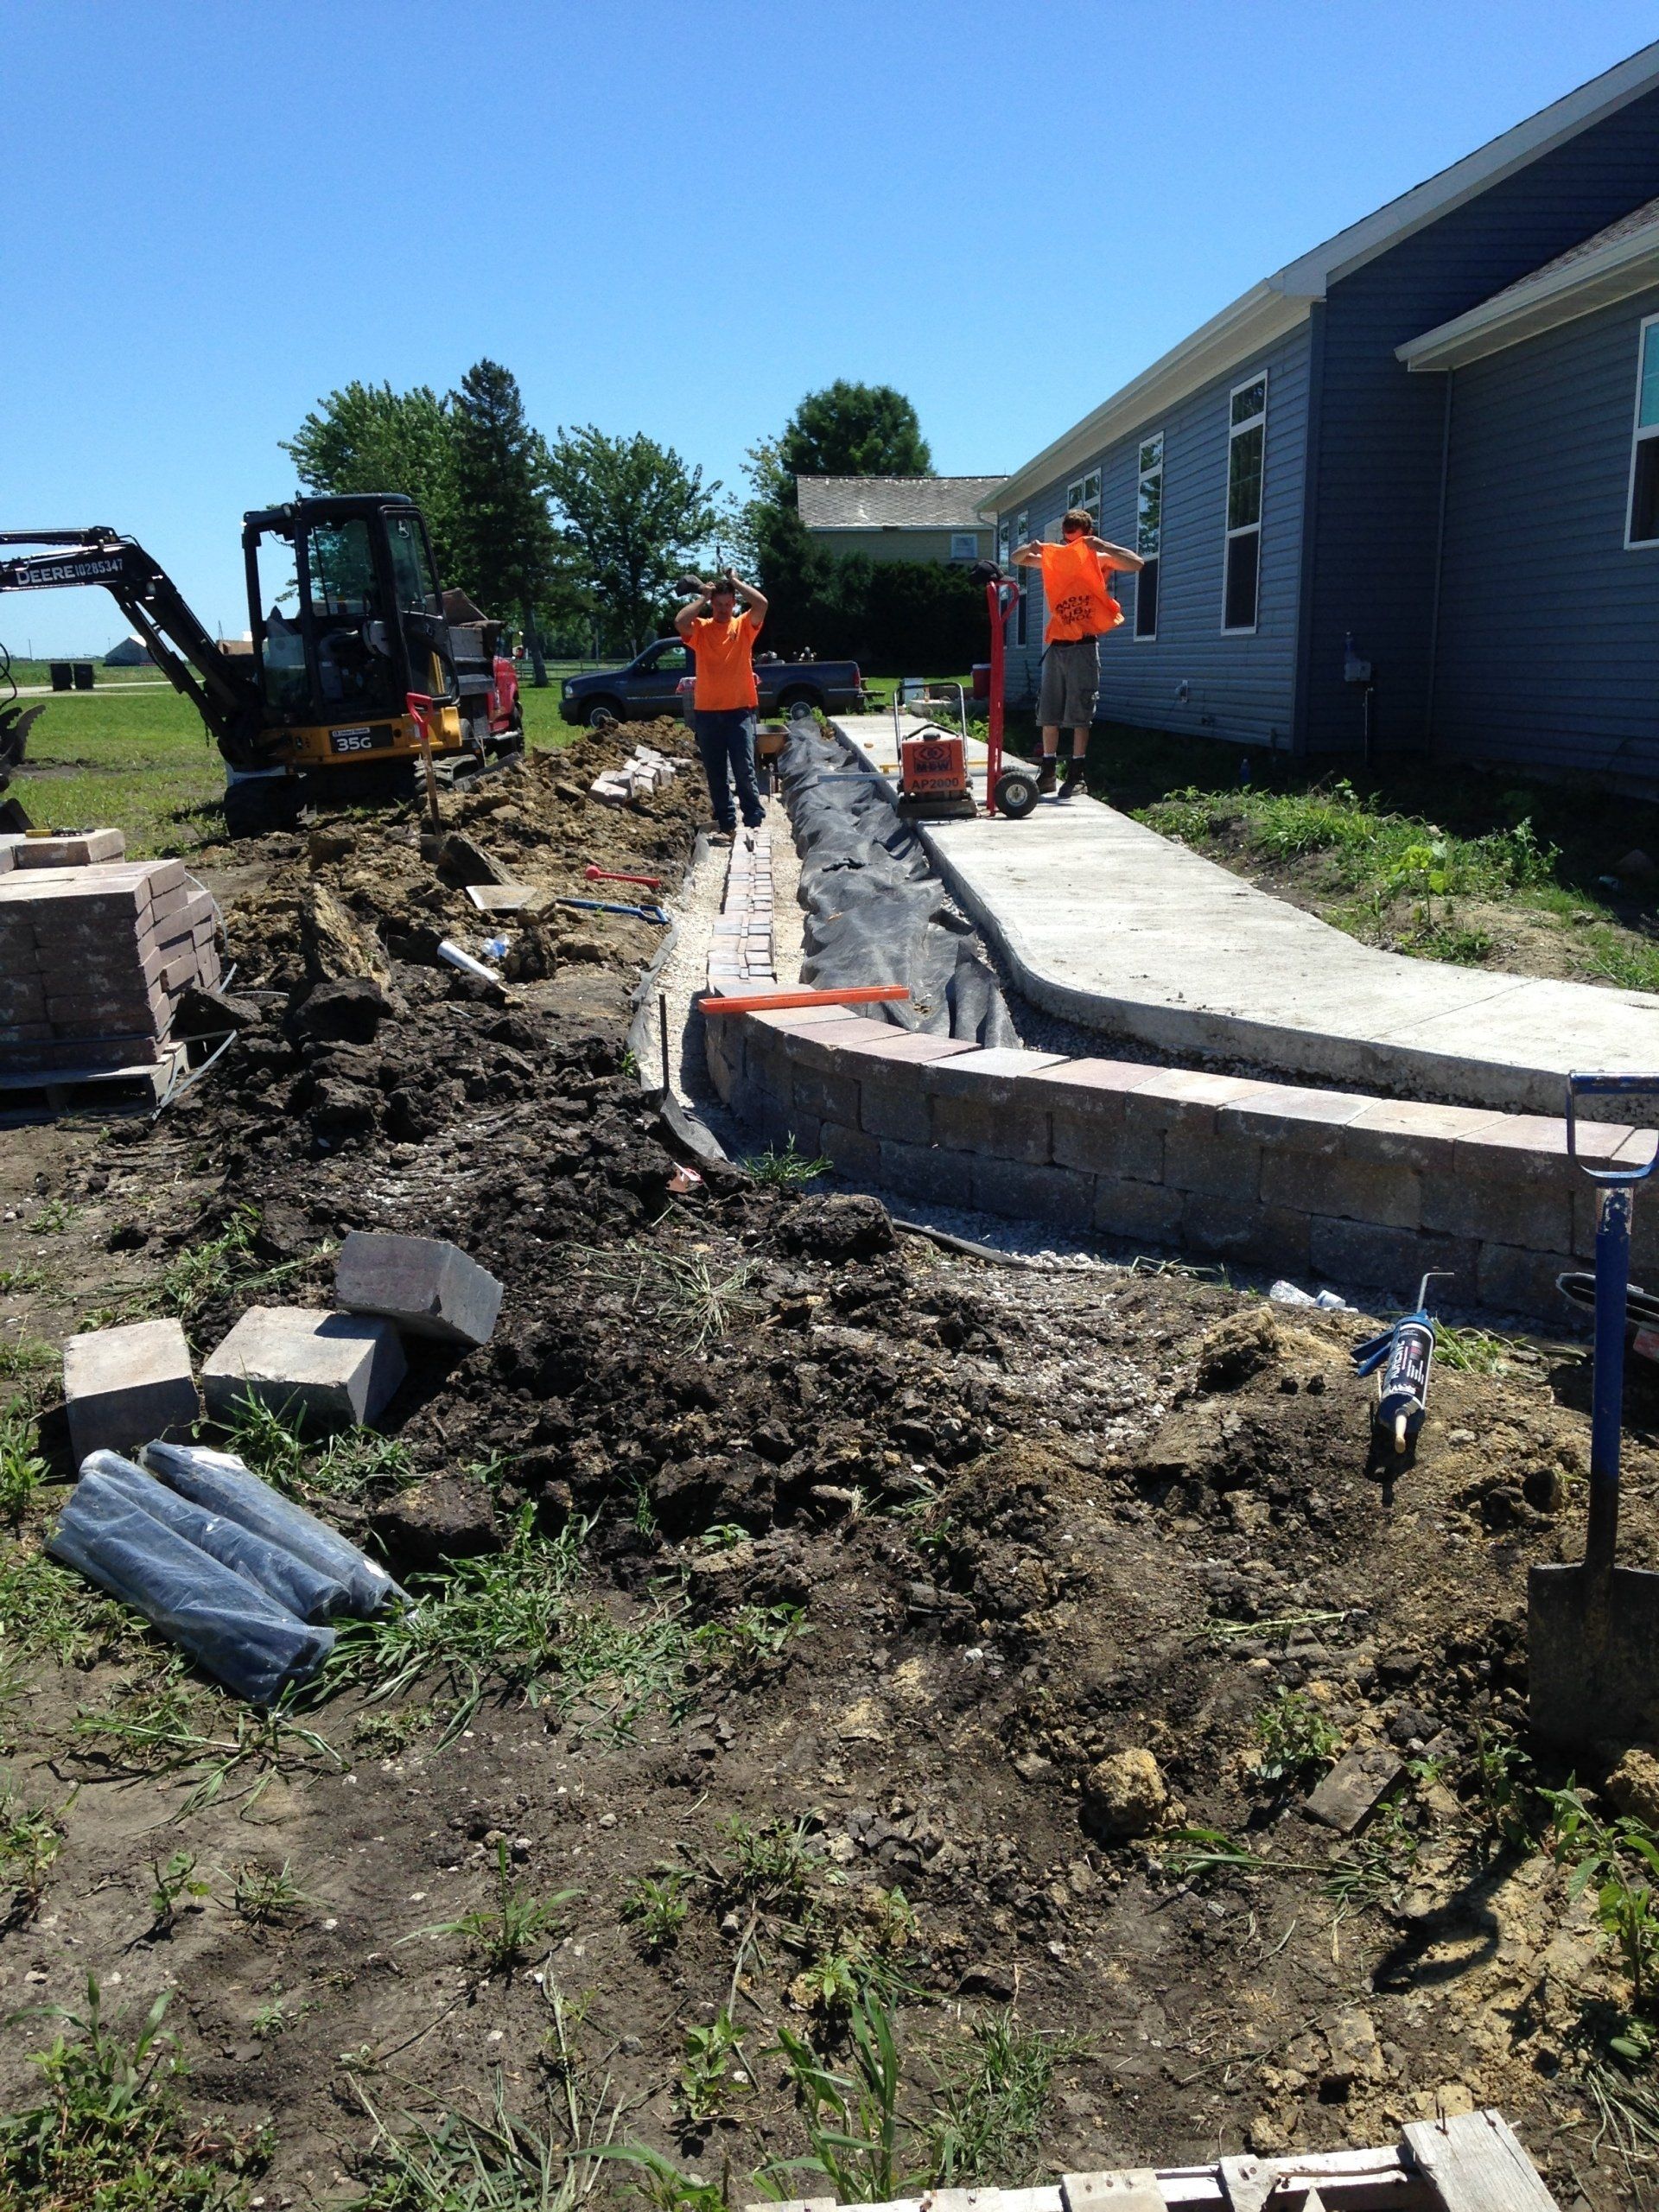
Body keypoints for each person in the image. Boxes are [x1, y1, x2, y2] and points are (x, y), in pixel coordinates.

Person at [1013, 510, 1142, 796]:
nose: (1070, 540)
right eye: (1067, 534)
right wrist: (1031, 547)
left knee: (1079, 713)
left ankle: (1077, 775)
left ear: (1086, 533)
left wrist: (1104, 546)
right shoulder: (1055, 558)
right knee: (1048, 713)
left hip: (1084, 646)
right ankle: (1047, 772)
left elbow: (1137, 563)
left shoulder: (1098, 556)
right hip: (1057, 646)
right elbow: (1017, 559)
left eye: (1076, 536)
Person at [677, 567, 770, 839]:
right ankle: (727, 824)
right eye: (718, 605)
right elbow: (680, 622)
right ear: (712, 605)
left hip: (739, 711)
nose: (723, 610)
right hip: (707, 713)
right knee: (716, 773)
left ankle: (753, 822)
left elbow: (762, 604)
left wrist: (734, 581)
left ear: (734, 604)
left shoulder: (743, 626)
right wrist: (703, 597)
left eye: (728, 605)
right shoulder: (701, 629)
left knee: (744, 768)